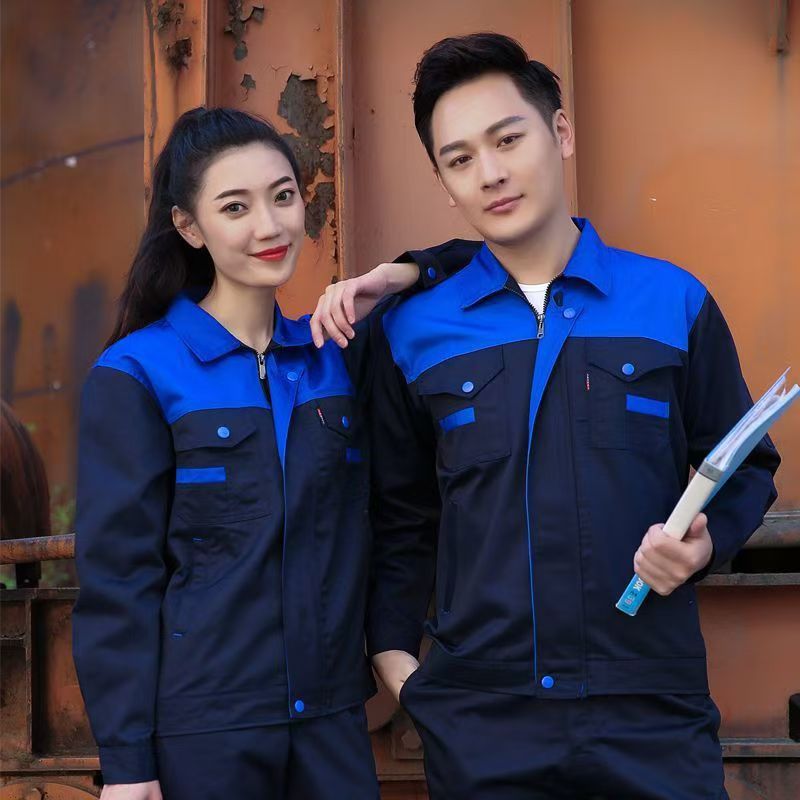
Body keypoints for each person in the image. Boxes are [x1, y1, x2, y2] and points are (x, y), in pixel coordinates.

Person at [319, 33, 781, 799]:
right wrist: (403, 674)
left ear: (560, 133)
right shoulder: (413, 330)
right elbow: (400, 522)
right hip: (484, 726)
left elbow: (747, 464)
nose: (491, 173)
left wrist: (704, 545)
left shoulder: (672, 302)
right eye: (460, 159)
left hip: (652, 718)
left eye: (509, 139)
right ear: (443, 182)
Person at [71, 106, 472, 800]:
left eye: (283, 197)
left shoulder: (336, 357)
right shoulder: (139, 373)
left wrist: (393, 277)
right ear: (189, 227)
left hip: (331, 727)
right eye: (236, 207)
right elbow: (118, 583)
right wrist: (129, 765)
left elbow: (479, 263)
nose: (270, 225)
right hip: (205, 735)